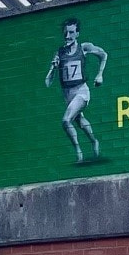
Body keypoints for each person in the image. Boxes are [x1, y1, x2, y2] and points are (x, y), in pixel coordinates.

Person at [44, 17, 109, 163]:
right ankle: (94, 141)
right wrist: (53, 69)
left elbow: (104, 55)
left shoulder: (83, 48)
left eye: (72, 32)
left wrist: (100, 75)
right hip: (67, 94)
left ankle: (79, 152)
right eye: (66, 33)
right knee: (80, 122)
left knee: (66, 120)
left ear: (77, 34)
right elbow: (48, 82)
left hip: (81, 91)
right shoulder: (59, 53)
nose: (68, 36)